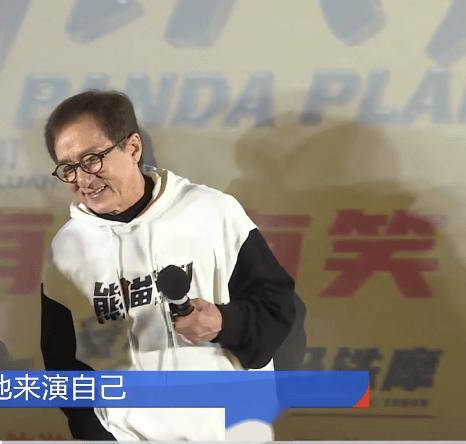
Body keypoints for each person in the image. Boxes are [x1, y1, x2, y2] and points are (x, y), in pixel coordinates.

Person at [40, 90, 296, 441]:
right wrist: (95, 432)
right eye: (68, 168)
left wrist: (224, 323)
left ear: (133, 148)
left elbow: (277, 308)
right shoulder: (66, 249)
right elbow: (62, 364)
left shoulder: (212, 213)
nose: (83, 179)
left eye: (92, 159)